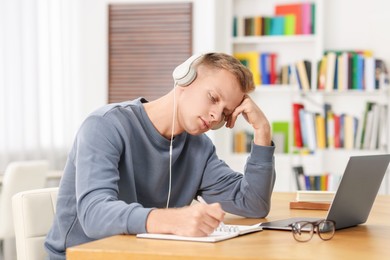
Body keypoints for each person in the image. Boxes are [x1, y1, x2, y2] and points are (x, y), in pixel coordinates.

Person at [45, 52, 276, 259]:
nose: (216, 115)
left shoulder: (199, 149)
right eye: (213, 98)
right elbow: (94, 214)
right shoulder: (105, 126)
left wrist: (262, 131)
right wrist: (174, 220)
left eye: (226, 113)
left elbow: (253, 204)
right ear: (185, 79)